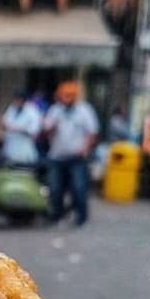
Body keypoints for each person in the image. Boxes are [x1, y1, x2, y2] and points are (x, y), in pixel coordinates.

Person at [43, 80, 99, 227]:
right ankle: (57, 216)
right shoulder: (55, 110)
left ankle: (81, 217)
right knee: (55, 189)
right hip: (57, 156)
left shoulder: (84, 110)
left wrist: (85, 148)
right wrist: (51, 128)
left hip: (77, 157)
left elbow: (92, 132)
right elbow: (46, 131)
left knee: (79, 188)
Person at [1, 91, 41, 165]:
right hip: (10, 149)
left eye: (18, 99)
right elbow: (5, 123)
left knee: (24, 173)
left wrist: (19, 128)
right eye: (15, 99)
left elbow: (35, 130)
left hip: (25, 151)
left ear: (24, 100)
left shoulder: (32, 110)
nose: (16, 101)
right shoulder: (12, 108)